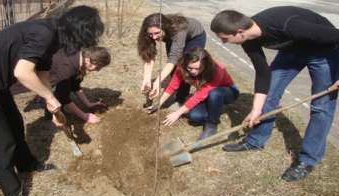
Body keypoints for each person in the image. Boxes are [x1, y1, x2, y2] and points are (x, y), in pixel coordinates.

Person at [0, 5, 104, 196]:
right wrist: (49, 98)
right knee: (1, 140)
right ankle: (14, 193)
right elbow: (22, 72)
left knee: (16, 124)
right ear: (80, 28)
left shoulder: (55, 38)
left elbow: (42, 75)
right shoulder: (44, 33)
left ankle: (26, 165)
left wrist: (53, 102)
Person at [210, 6, 339, 182]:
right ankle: (256, 140)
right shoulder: (248, 38)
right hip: (292, 52)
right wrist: (256, 109)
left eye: (225, 38)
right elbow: (263, 73)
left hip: (323, 52)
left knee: (321, 106)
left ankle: (308, 159)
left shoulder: (288, 25)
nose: (224, 42)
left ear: (240, 32)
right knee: (267, 95)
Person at [146, 47, 239, 141]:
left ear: (206, 65)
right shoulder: (182, 67)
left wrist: (177, 113)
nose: (194, 72)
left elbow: (199, 96)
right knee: (196, 116)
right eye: (190, 68)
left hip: (227, 92)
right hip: (205, 92)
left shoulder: (216, 71)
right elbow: (172, 86)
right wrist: (158, 104)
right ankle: (214, 105)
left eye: (199, 68)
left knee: (215, 93)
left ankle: (212, 126)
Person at [137, 13, 206, 109]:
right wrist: (147, 78)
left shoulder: (178, 29)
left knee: (185, 67)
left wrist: (158, 81)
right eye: (150, 34)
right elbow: (149, 55)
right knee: (174, 70)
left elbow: (174, 57)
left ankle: (180, 99)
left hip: (194, 37)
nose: (153, 37)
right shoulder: (151, 33)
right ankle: (178, 90)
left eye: (157, 33)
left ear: (165, 28)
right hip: (172, 37)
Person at [43, 46, 111, 123]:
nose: (98, 71)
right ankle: (50, 119)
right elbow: (63, 95)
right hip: (45, 74)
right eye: (97, 67)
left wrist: (88, 104)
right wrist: (83, 115)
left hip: (60, 73)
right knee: (55, 93)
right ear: (88, 60)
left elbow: (75, 85)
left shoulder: (80, 59)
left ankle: (61, 109)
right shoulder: (67, 67)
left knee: (64, 89)